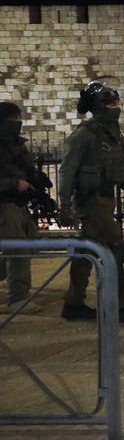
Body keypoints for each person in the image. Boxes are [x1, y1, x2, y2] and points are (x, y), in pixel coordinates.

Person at [59, 82, 124, 321]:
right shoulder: (84, 135)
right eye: (110, 104)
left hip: (105, 199)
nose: (116, 108)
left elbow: (122, 167)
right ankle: (121, 307)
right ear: (98, 107)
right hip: (91, 202)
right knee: (116, 251)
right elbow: (67, 171)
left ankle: (73, 302)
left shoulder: (113, 134)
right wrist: (65, 206)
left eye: (117, 103)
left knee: (84, 253)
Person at [0, 102, 42, 314]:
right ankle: (18, 298)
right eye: (13, 118)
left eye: (19, 117)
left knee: (30, 243)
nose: (18, 122)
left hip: (18, 203)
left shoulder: (16, 144)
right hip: (5, 204)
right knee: (17, 250)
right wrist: (14, 184)